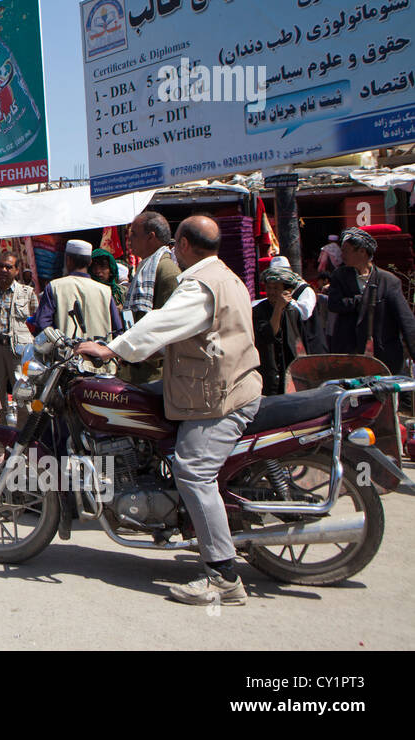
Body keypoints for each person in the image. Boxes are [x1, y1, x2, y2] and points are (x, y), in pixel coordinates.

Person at [76, 215, 262, 606]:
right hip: (216, 383)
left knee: (192, 471)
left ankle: (224, 577)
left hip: (218, 395)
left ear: (185, 245)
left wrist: (111, 349)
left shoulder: (198, 285)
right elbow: (185, 332)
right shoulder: (225, 274)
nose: (173, 250)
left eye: (176, 243)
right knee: (138, 403)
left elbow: (162, 321)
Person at [328, 227, 415, 374]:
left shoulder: (388, 281)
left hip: (383, 356)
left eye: (346, 251)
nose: (342, 255)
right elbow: (334, 304)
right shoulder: (340, 276)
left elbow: (406, 321)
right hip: (349, 354)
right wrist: (361, 300)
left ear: (362, 251)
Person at [121, 211, 182, 383]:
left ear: (151, 237)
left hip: (153, 376)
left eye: (134, 234)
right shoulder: (145, 267)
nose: (129, 239)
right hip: (136, 368)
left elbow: (167, 327)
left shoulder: (166, 271)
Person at [0, 251, 38, 409]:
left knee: (24, 397)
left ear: (17, 270)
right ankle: (0, 432)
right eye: (0, 266)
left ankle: (22, 433)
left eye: (8, 267)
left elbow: (36, 325)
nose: (3, 270)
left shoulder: (27, 293)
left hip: (18, 353)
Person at [34, 239, 123, 338]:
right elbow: (117, 330)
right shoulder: (105, 291)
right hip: (100, 350)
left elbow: (42, 324)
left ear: (68, 259)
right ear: (90, 262)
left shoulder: (54, 287)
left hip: (67, 351)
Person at [252, 266, 305, 396]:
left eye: (276, 288)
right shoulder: (258, 311)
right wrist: (278, 308)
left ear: (287, 291)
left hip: (289, 372)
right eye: (269, 288)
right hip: (268, 373)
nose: (271, 292)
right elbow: (269, 334)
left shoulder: (293, 312)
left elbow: (301, 343)